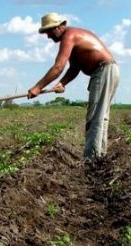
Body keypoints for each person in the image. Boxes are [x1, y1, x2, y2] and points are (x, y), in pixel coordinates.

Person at [28, 12, 120, 161]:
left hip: (104, 70)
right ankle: (99, 156)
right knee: (100, 117)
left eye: (49, 31)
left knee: (95, 117)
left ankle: (91, 160)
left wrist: (38, 87)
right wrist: (62, 83)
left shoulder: (69, 36)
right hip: (107, 70)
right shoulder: (73, 36)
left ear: (60, 26)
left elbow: (58, 67)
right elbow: (74, 68)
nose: (48, 36)